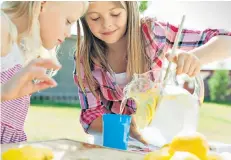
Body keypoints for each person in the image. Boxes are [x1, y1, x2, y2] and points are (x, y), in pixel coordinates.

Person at [74, 1, 231, 145]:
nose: (107, 24)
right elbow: (90, 116)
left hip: (157, 138)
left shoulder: (155, 33)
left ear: (130, 9)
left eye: (115, 14)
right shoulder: (85, 57)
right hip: (111, 141)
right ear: (83, 19)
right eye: (94, 18)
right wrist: (129, 125)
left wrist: (197, 57)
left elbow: (226, 40)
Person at [0, 1, 88, 144]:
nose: (68, 32)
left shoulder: (21, 53)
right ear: (42, 4)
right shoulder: (2, 26)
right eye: (68, 21)